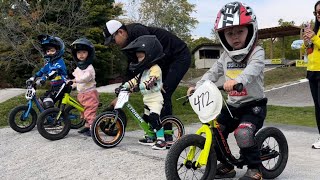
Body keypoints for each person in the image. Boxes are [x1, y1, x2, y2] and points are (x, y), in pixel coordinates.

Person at [187, 2, 266, 180]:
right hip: (231, 106)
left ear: (251, 30)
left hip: (253, 106)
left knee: (243, 133)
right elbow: (212, 72)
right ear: (223, 36)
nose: (235, 37)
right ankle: (227, 165)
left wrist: (238, 80)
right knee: (216, 131)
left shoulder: (257, 52)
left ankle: (255, 169)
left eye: (240, 31)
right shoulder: (225, 56)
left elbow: (252, 71)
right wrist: (198, 86)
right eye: (230, 33)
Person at [103, 19, 191, 141]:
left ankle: (166, 134)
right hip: (163, 60)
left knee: (163, 91)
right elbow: (131, 68)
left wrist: (150, 82)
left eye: (113, 40)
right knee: (150, 94)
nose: (114, 44)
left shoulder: (139, 32)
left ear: (121, 32)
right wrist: (123, 91)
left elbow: (151, 57)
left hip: (178, 56)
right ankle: (153, 132)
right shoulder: (128, 44)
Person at [119, 35, 167, 150]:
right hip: (147, 99)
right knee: (145, 119)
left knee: (153, 118)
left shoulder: (155, 69)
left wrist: (138, 88)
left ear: (150, 55)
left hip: (155, 99)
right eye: (138, 57)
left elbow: (151, 81)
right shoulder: (144, 71)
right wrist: (123, 86)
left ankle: (161, 140)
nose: (139, 60)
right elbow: (134, 80)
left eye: (141, 57)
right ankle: (150, 136)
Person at [27, 34, 68, 109]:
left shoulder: (59, 62)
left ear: (58, 51)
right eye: (48, 51)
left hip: (61, 87)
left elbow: (54, 71)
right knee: (41, 100)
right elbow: (41, 71)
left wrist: (44, 78)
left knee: (47, 101)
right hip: (54, 87)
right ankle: (47, 117)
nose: (49, 53)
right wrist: (33, 78)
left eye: (52, 50)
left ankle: (54, 119)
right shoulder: (49, 63)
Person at [69, 38, 100, 137]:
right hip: (81, 94)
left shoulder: (89, 67)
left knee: (90, 111)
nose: (81, 54)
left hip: (90, 94)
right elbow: (77, 79)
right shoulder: (79, 67)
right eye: (79, 52)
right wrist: (71, 84)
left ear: (89, 54)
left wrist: (75, 80)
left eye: (84, 52)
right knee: (83, 111)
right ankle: (87, 126)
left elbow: (85, 78)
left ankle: (93, 129)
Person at [302, 0, 320, 149]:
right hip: (312, 71)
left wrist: (313, 37)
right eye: (316, 12)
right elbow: (309, 50)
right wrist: (306, 41)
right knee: (318, 107)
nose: (318, 15)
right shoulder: (316, 29)